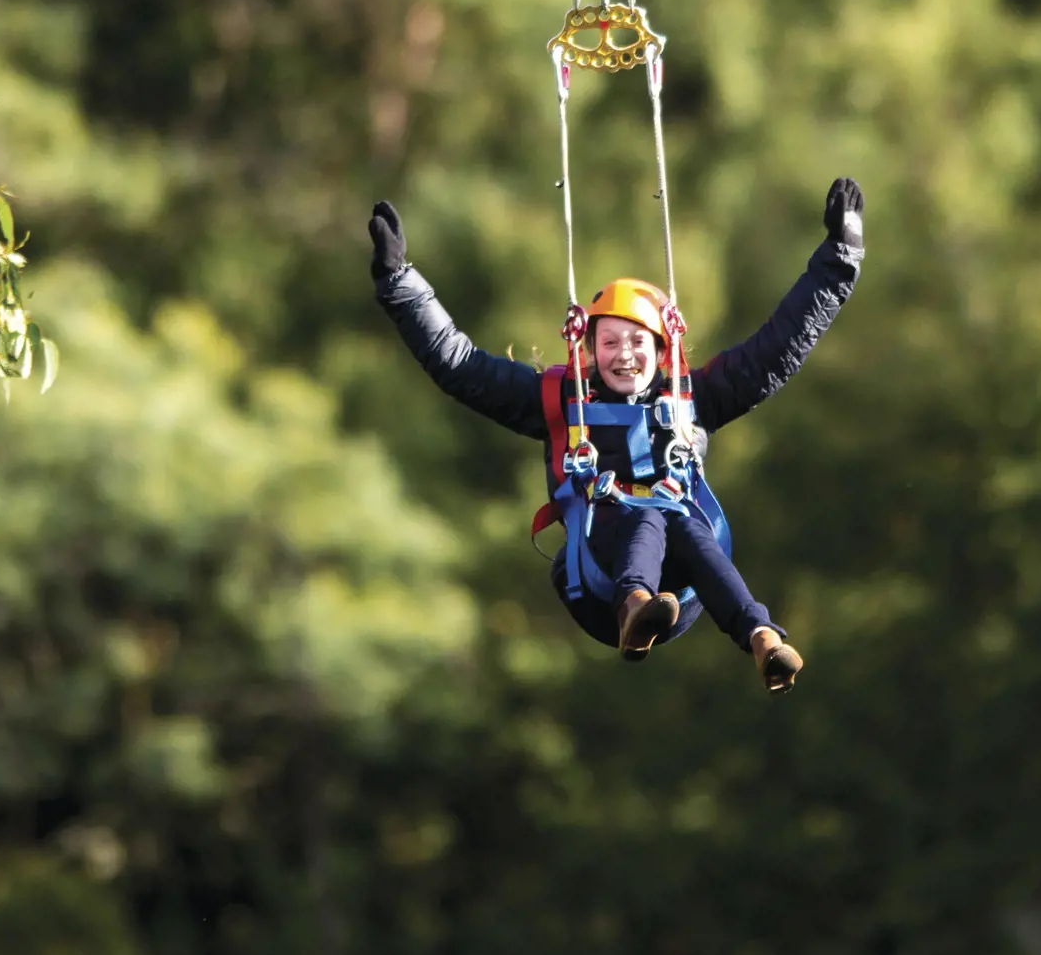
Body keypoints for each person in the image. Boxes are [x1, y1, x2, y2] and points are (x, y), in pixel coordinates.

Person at [370, 178, 864, 691]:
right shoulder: (560, 400)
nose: (624, 354)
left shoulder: (694, 399)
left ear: (660, 348)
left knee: (680, 518)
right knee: (650, 508)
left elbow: (779, 347)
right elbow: (460, 364)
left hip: (681, 592)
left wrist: (841, 255)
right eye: (609, 342)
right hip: (594, 584)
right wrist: (399, 282)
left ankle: (761, 637)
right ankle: (635, 607)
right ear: (590, 348)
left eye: (637, 342)